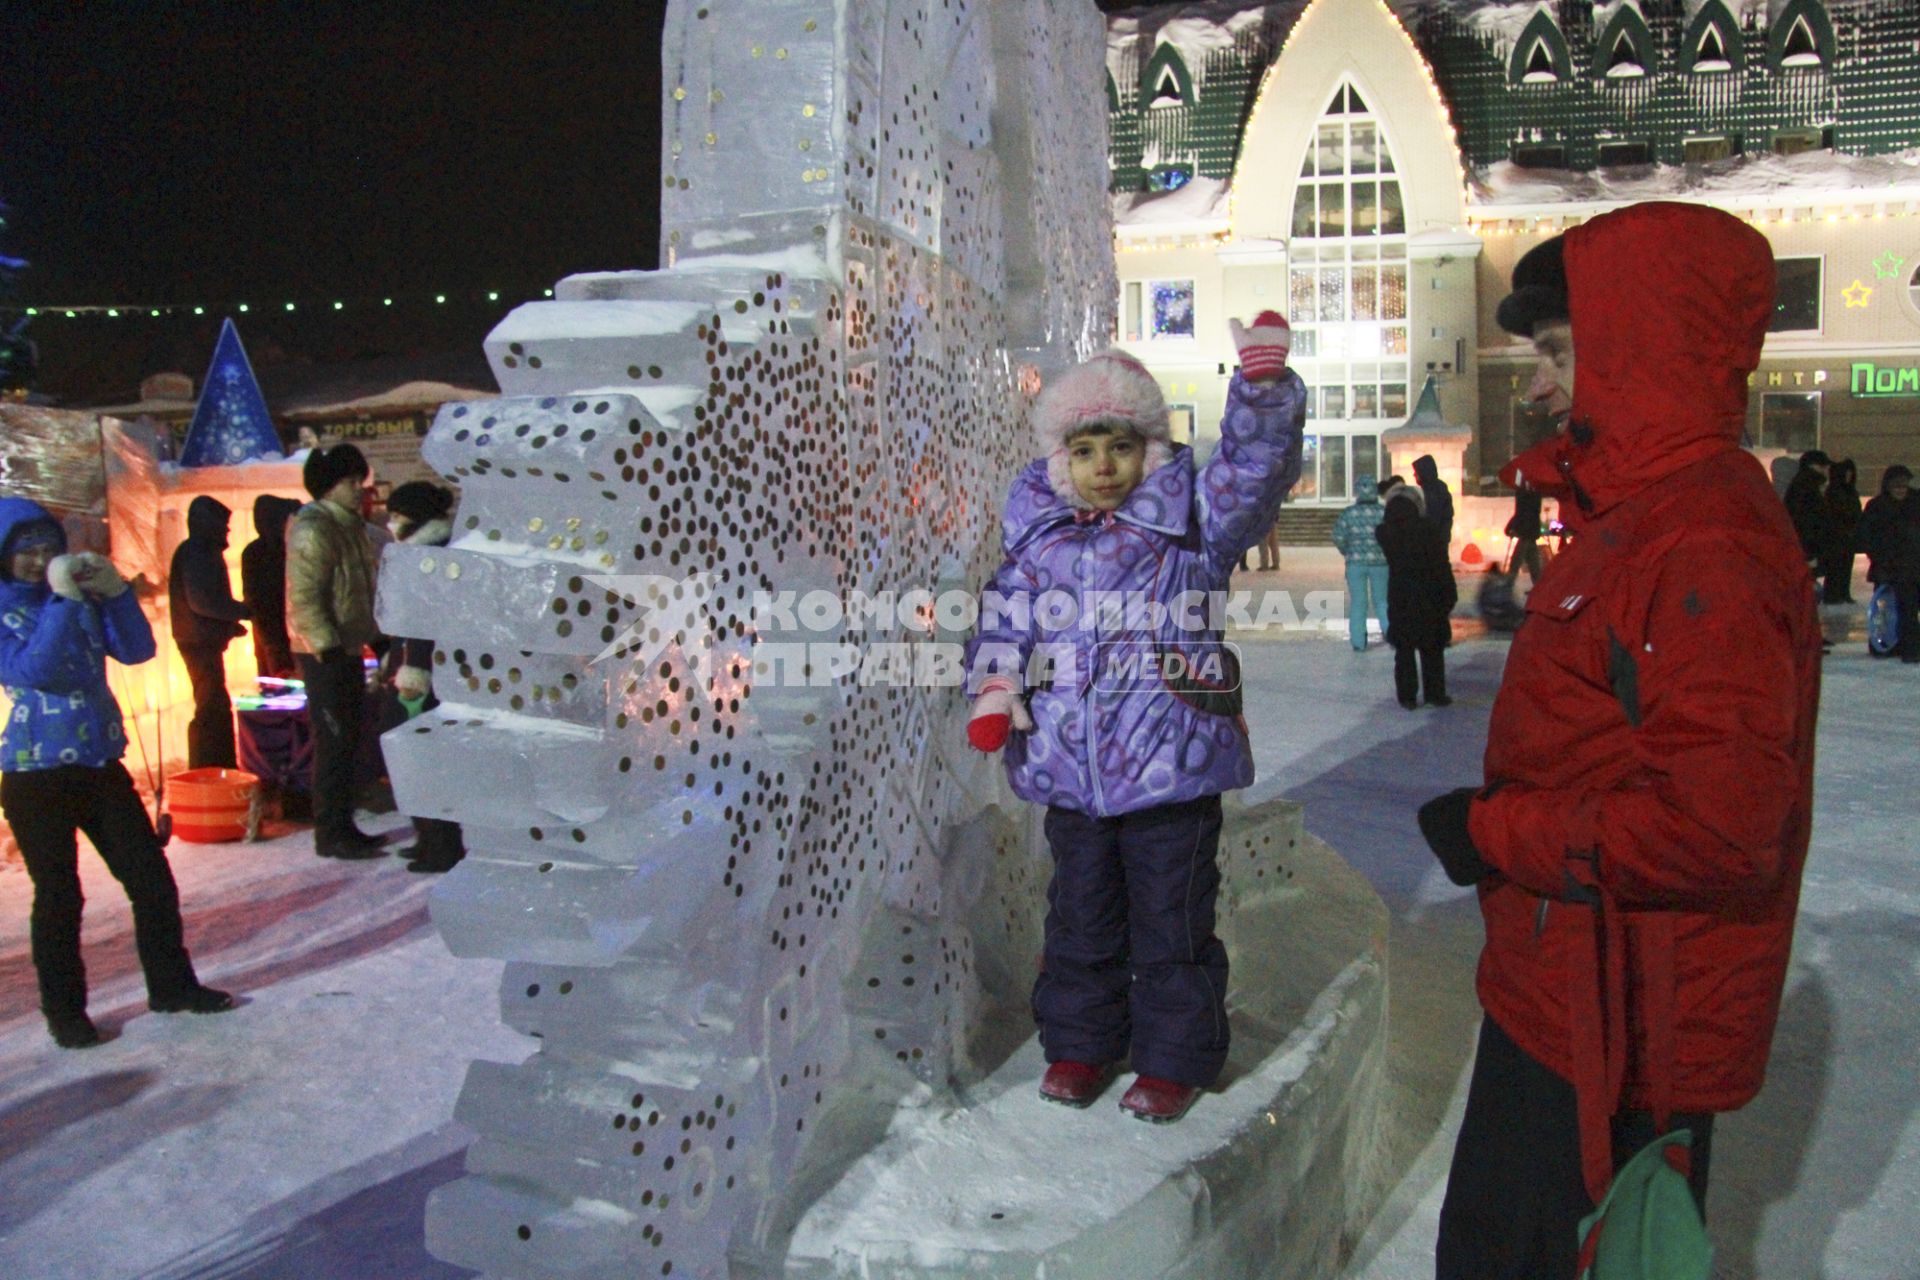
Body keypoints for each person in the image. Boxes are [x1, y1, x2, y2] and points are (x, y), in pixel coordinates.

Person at [1417, 203, 1821, 1279]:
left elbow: (1721, 825)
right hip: (1567, 994)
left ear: (1640, 346)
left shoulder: (1705, 541)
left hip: (1620, 1031)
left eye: (1557, 353)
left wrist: (1499, 830)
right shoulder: (1641, 517)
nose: (1541, 385)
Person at [964, 321, 1305, 1124]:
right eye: (1084, 451)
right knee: (1080, 917)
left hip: (1171, 769)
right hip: (1072, 775)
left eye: (1118, 446)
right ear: (1061, 462)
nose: (1103, 466)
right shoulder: (1038, 546)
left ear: (1148, 450)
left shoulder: (1192, 529)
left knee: (1171, 923)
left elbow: (1252, 473)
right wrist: (994, 688)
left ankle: (1172, 1058)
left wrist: (1259, 392)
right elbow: (1004, 624)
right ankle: (1081, 1046)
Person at [0, 498, 233, 1048]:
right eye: (25, 552)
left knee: (151, 879)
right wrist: (62, 600)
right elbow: (37, 671)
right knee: (60, 896)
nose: (38, 561)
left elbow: (135, 649)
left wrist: (115, 594)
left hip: (101, 766)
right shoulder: (7, 611)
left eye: (47, 549)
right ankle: (65, 1012)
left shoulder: (76, 599)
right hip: (36, 777)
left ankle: (172, 987)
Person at [287, 444, 386, 860]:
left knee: (348, 739)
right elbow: (305, 596)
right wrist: (325, 644)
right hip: (324, 653)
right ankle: (331, 831)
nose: (358, 489)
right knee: (334, 740)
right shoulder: (315, 528)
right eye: (350, 482)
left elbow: (357, 592)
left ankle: (344, 823)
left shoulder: (349, 526)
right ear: (329, 487)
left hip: (346, 645)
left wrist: (374, 637)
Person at [382, 482, 467, 873]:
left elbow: (423, 622)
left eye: (396, 514)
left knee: (428, 763)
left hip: (432, 672)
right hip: (433, 667)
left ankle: (441, 845)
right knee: (424, 761)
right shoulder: (426, 549)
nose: (391, 522)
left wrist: (413, 669)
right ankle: (429, 838)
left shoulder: (428, 555)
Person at [168, 496, 250, 769]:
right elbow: (203, 602)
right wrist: (242, 611)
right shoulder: (197, 552)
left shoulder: (201, 551)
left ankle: (217, 766)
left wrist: (228, 625)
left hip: (201, 638)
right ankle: (210, 770)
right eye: (223, 525)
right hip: (198, 641)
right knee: (211, 707)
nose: (227, 532)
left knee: (213, 704)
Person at [1376, 483, 1454, 707]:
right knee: (1432, 649)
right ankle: (1435, 693)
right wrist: (1448, 594)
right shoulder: (1428, 530)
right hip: (1430, 593)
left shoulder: (1385, 533)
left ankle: (1407, 696)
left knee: (1404, 651)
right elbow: (1441, 564)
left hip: (1401, 595)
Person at [1859, 464, 1920, 663]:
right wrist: (1880, 558)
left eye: (1903, 486)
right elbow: (1867, 537)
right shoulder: (1877, 507)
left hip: (1911, 568)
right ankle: (1885, 646)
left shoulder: (1915, 503)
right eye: (1896, 487)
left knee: (1909, 609)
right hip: (1887, 568)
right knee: (1885, 610)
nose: (1901, 490)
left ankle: (1909, 648)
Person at [241, 494, 302, 679]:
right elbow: (260, 604)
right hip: (275, 637)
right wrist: (274, 648)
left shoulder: (287, 548)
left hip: (292, 633)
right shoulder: (258, 554)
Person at [1331, 475, 1389, 651]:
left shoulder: (1349, 513)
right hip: (1380, 562)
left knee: (1358, 602)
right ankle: (1392, 633)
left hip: (1355, 563)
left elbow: (1338, 537)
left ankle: (1358, 640)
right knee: (1382, 601)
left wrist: (1347, 551)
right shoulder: (1383, 512)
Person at [1819, 458, 1862, 604]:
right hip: (1837, 535)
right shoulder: (1835, 492)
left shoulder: (1849, 491)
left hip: (1848, 534)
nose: (1849, 476)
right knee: (1836, 566)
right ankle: (1833, 595)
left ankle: (1843, 593)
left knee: (1845, 565)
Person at [1784, 448, 1830, 575]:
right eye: (1822, 465)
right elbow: (1807, 520)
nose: (1826, 469)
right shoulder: (1808, 486)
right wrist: (1811, 551)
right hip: (1807, 546)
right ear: (1812, 466)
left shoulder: (1803, 484)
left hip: (1804, 545)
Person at [1412, 453, 1455, 547]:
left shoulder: (1429, 493)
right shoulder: (1441, 489)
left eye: (1416, 472)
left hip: (1430, 544)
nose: (1414, 475)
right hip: (1440, 543)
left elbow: (1431, 518)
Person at [1504, 486, 1544, 584]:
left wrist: (1510, 527)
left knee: (1516, 561)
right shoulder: (1536, 493)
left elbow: (1520, 513)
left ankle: (1509, 584)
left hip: (1525, 532)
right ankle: (1537, 586)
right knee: (1533, 561)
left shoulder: (1523, 495)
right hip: (1531, 531)